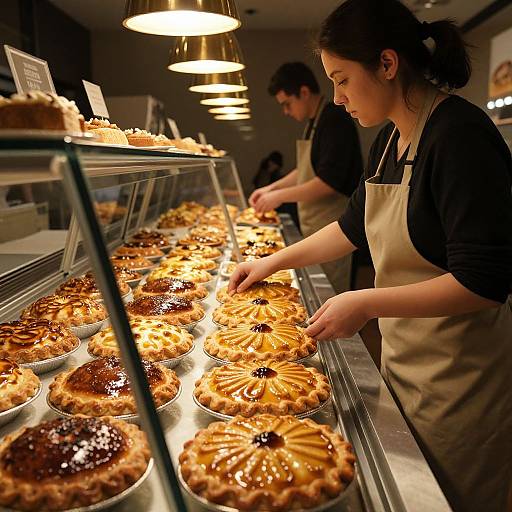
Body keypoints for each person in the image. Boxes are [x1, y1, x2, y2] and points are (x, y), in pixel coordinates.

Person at [229, 1, 512, 510]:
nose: (336, 99)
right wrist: (272, 262)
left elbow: (484, 282)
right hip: (406, 366)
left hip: (460, 385)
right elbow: (350, 227)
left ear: (387, 65)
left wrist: (367, 302)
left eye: (341, 80)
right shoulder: (389, 139)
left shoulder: (460, 136)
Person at [250, 62, 363, 293]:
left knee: (331, 295)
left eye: (287, 104)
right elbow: (305, 169)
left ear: (303, 92)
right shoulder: (314, 122)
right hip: (315, 226)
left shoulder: (334, 119)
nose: (286, 111)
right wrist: (271, 189)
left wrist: (280, 196)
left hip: (335, 228)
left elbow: (328, 182)